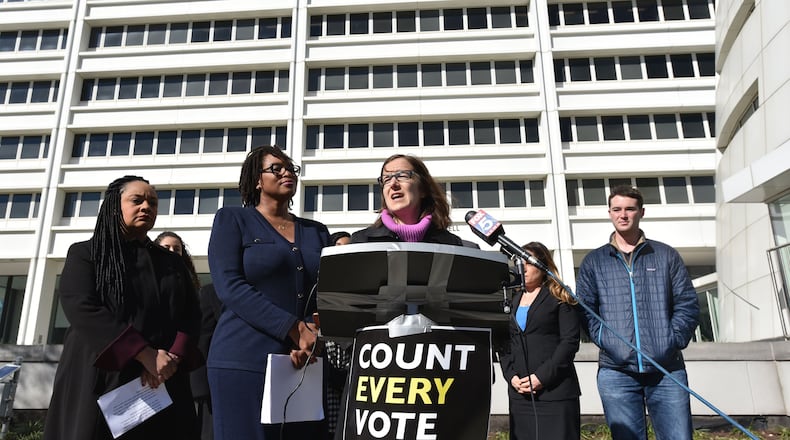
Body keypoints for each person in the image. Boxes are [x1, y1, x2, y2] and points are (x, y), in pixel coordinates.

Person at [43, 175, 203, 440]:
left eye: (152, 202)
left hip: (163, 380)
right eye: (136, 200)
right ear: (114, 207)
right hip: (102, 377)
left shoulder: (172, 263)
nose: (146, 207)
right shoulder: (86, 254)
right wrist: (144, 354)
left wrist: (170, 359)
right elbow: (83, 309)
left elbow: (191, 316)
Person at [207, 145, 330, 440]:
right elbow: (230, 286)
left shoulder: (317, 231)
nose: (287, 172)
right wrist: (293, 328)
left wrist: (312, 331)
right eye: (276, 167)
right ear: (257, 180)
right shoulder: (232, 220)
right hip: (243, 359)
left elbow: (327, 291)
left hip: (302, 361)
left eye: (291, 168)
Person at [576, 185, 699, 440]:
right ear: (609, 213)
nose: (623, 215)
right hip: (616, 371)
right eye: (617, 209)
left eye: (630, 209)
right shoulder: (594, 262)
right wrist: (608, 341)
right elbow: (586, 311)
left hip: (666, 369)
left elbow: (687, 303)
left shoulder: (665, 255)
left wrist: (671, 340)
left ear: (641, 212)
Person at [498, 242, 581, 440]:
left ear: (543, 267)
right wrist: (511, 376)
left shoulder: (560, 295)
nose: (522, 267)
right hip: (520, 395)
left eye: (528, 262)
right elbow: (502, 342)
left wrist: (542, 377)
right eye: (519, 261)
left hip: (555, 393)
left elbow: (569, 342)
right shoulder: (510, 298)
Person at [154, 231, 216, 440]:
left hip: (181, 368)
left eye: (177, 249)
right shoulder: (143, 281)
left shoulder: (196, 290)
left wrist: (175, 354)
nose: (172, 252)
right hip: (150, 365)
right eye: (166, 248)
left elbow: (195, 327)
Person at [351, 154, 464, 245]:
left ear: (423, 189)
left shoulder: (451, 244)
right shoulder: (361, 242)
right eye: (387, 179)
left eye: (403, 175)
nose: (393, 184)